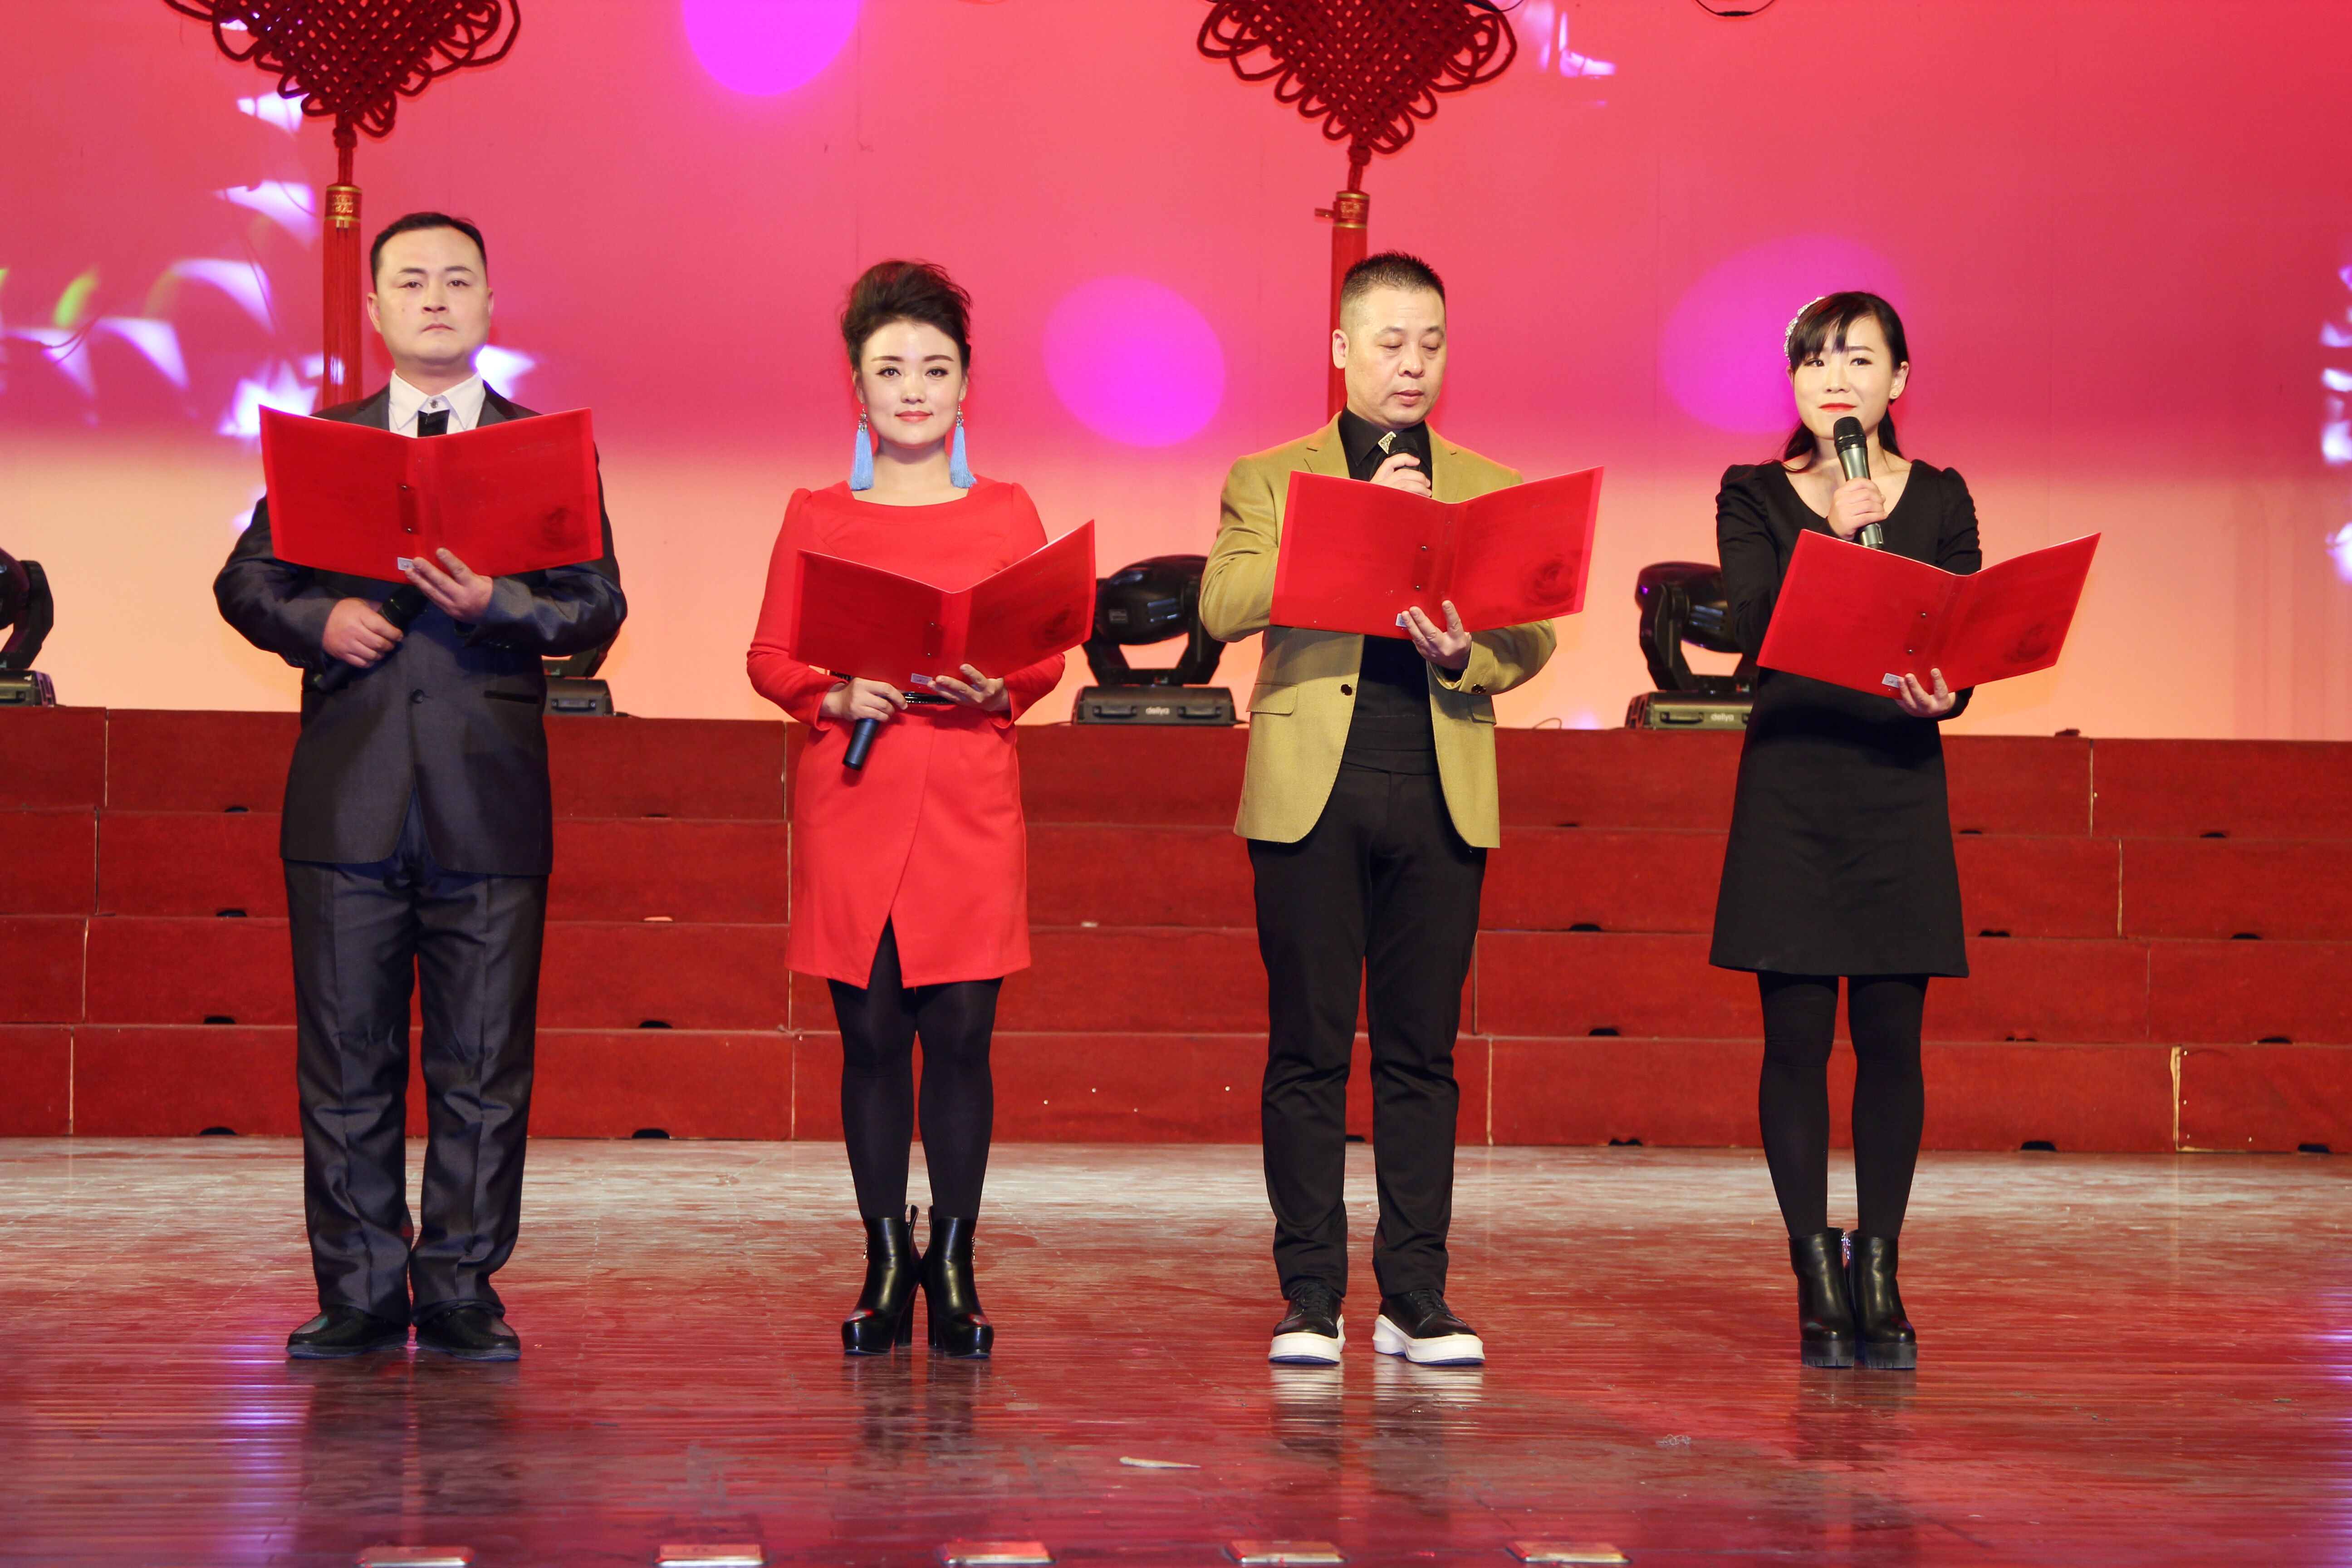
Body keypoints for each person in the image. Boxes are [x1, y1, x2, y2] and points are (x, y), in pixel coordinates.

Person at [216, 211, 627, 1362]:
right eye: (411, 281)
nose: (435, 298)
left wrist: (500, 603)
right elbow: (245, 581)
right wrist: (321, 620)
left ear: (490, 303)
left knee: (483, 1060)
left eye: (457, 280)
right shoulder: (325, 445)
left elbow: (597, 601)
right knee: (347, 1056)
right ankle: (358, 1287)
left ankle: (458, 1287)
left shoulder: (541, 448)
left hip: (486, 798)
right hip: (347, 793)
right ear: (377, 309)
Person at [1200, 252, 1556, 1367]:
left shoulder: (1488, 482)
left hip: (1439, 782)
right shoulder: (1272, 476)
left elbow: (1532, 634)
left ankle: (1415, 1296)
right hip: (1314, 788)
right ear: (1342, 349)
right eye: (1391, 343)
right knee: (1307, 1050)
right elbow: (1222, 602)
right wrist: (1357, 527)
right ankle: (1310, 1295)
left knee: (1421, 1055)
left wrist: (1467, 654)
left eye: (1432, 344)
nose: (1413, 365)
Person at [746, 260, 1065, 1359]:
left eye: (934, 369)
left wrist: (1000, 685)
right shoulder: (817, 513)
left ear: (966, 384)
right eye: (891, 370)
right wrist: (831, 694)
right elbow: (769, 655)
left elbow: (1045, 655)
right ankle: (887, 1262)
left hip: (970, 791)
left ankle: (956, 1266)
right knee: (873, 1038)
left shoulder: (1008, 509)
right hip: (857, 791)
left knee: (963, 1038)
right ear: (858, 386)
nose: (913, 390)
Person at [1710, 291, 1980, 1371]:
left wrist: (1951, 691)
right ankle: (1814, 1270)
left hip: (1895, 784)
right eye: (1816, 361)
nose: (1836, 379)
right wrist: (1830, 529)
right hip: (1793, 783)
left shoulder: (1943, 498)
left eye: (1860, 360)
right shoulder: (1753, 494)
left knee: (1891, 1040)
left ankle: (1881, 1265)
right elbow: (1754, 623)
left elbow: (1963, 637)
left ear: (1898, 380)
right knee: (1796, 1043)